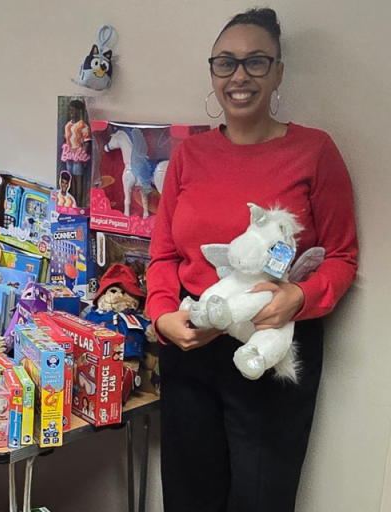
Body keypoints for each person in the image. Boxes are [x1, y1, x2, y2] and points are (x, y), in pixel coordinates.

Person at [145, 8, 358, 512]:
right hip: (191, 342)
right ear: (213, 72)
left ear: (279, 71)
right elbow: (163, 255)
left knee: (262, 499)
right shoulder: (189, 156)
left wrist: (298, 298)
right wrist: (160, 316)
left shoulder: (314, 152)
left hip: (272, 348)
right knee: (187, 497)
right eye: (226, 63)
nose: (239, 76)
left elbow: (342, 256)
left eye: (256, 62)